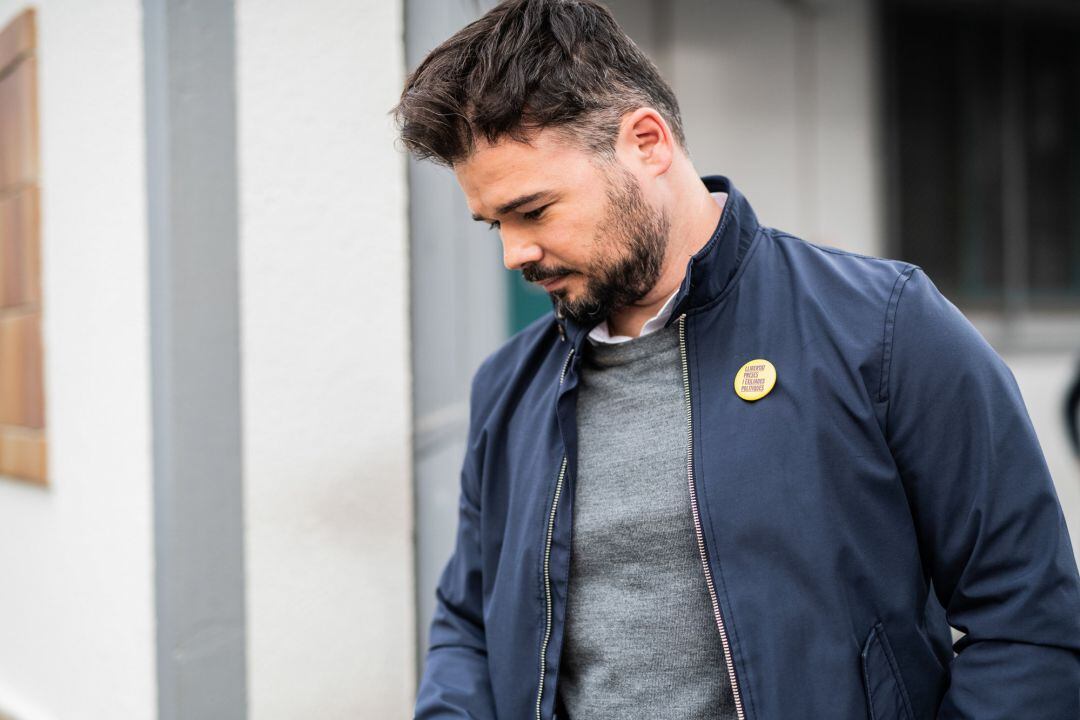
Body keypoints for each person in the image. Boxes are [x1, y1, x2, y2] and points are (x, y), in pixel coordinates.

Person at [393, 1, 1080, 718]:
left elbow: (1027, 623)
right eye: (493, 223)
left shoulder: (884, 328)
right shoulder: (508, 389)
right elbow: (468, 626)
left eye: (533, 211)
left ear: (647, 143)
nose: (513, 253)